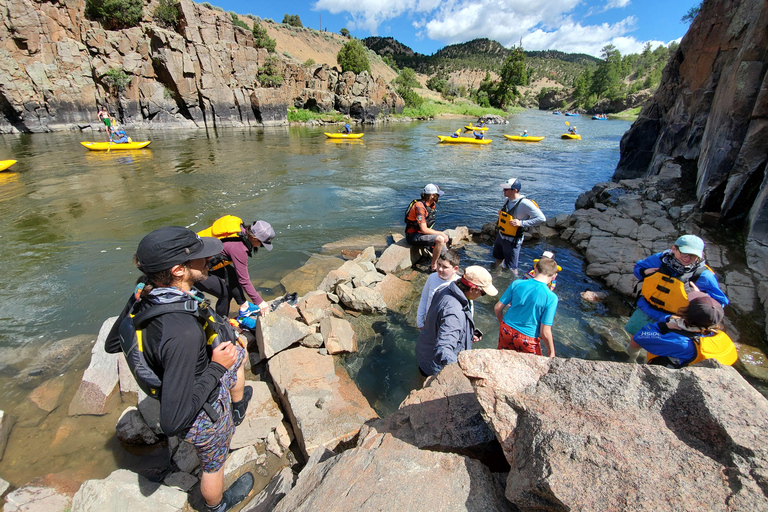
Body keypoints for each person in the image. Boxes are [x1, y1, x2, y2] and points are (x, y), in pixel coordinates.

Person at [105, 227, 254, 512]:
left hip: (181, 376)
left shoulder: (145, 290)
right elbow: (173, 422)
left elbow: (114, 343)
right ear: (178, 270)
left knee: (239, 353)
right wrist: (214, 367)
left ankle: (237, 406)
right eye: (200, 258)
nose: (209, 260)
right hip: (202, 411)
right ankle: (217, 505)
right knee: (214, 464)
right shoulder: (182, 333)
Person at [625, 234, 728, 336]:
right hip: (646, 309)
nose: (688, 259)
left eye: (693, 256)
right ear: (674, 249)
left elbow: (718, 305)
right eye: (684, 254)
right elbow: (639, 268)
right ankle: (632, 352)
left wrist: (701, 297)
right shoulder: (660, 259)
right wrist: (644, 272)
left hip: (674, 320)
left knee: (658, 347)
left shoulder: (704, 276)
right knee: (636, 339)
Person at [416, 266, 498, 376]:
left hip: (425, 350)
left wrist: (467, 333)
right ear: (473, 289)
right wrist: (463, 371)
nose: (481, 296)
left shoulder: (444, 288)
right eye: (482, 293)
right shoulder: (454, 312)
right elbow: (444, 350)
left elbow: (441, 321)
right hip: (435, 365)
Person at [195, 216, 275, 318]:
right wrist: (259, 302)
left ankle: (244, 306)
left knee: (232, 274)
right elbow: (244, 280)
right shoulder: (239, 248)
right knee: (225, 294)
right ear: (254, 238)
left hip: (200, 256)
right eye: (261, 244)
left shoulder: (239, 229)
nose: (260, 246)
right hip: (192, 268)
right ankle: (221, 324)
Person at [629, 293, 737, 367]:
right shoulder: (719, 335)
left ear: (687, 313)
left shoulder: (681, 342)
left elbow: (641, 336)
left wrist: (664, 325)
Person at [494, 257, 558, 358]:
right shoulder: (551, 297)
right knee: (531, 368)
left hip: (506, 328)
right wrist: (551, 353)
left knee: (503, 360)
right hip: (527, 337)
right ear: (554, 276)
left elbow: (497, 308)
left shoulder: (517, 283)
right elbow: (544, 331)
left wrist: (503, 323)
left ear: (535, 268)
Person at [492, 178, 546, 271]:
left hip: (513, 240)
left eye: (506, 189)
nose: (503, 191)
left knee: (512, 268)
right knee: (498, 259)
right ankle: (496, 277)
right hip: (501, 236)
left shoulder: (525, 203)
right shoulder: (507, 200)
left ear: (515, 190)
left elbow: (541, 218)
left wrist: (521, 223)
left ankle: (512, 282)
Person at [405, 184, 449, 272]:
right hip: (413, 235)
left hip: (422, 234)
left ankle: (445, 266)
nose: (439, 196)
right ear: (432, 195)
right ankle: (433, 266)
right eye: (438, 195)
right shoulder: (419, 207)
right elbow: (424, 229)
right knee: (440, 239)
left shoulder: (431, 205)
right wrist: (441, 233)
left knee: (447, 254)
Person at [416, 249, 460, 329]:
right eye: (439, 264)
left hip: (448, 327)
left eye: (445, 267)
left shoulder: (460, 285)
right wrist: (420, 322)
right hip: (430, 322)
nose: (440, 269)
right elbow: (424, 299)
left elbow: (468, 310)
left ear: (455, 269)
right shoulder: (432, 277)